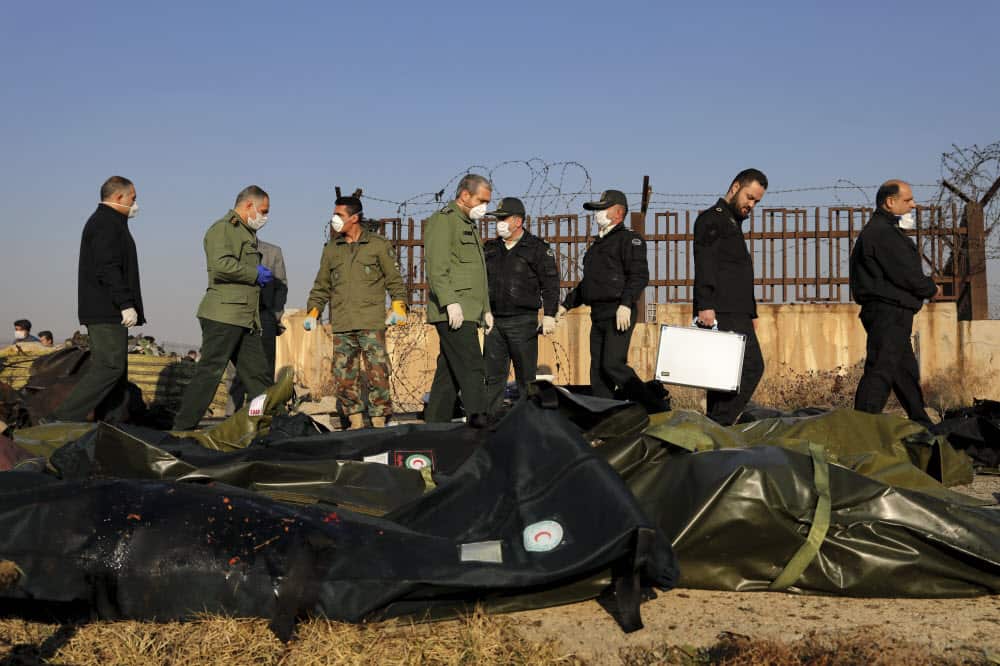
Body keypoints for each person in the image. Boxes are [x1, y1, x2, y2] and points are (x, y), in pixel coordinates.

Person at [172, 185, 275, 430]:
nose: (265, 216)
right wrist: (253, 273)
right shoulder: (224, 229)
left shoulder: (246, 233)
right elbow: (221, 266)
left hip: (245, 318)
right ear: (248, 205)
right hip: (224, 315)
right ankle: (182, 429)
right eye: (263, 210)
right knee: (210, 372)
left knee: (258, 376)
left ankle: (270, 425)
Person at [304, 196, 407, 429]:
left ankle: (379, 419)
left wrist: (399, 306)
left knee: (378, 371)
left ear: (354, 218)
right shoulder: (332, 249)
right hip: (343, 322)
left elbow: (394, 280)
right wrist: (313, 311)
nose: (334, 219)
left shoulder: (378, 245)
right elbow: (322, 285)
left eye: (339, 215)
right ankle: (355, 420)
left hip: (371, 321)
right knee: (343, 374)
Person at [52, 176, 145, 421]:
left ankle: (113, 426)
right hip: (107, 309)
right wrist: (125, 303)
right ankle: (58, 419)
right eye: (133, 198)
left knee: (117, 373)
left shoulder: (113, 222)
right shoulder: (105, 223)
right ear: (118, 197)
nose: (136, 204)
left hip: (112, 309)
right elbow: (107, 267)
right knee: (110, 366)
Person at [557, 189, 660, 411]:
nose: (597, 214)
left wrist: (626, 303)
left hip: (618, 312)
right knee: (598, 372)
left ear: (618, 212)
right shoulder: (598, 244)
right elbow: (589, 284)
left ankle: (656, 407)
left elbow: (639, 275)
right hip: (599, 313)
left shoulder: (629, 240)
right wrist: (566, 304)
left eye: (602, 209)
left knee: (612, 364)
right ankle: (606, 416)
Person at [850, 180, 941, 426]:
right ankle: (860, 430)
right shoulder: (882, 233)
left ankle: (922, 423)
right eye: (907, 200)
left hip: (893, 311)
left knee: (904, 372)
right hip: (888, 311)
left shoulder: (885, 231)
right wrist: (930, 288)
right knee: (881, 370)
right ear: (890, 202)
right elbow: (906, 274)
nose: (913, 204)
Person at [692, 168, 768, 425]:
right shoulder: (712, 220)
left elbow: (737, 274)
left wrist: (752, 312)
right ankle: (718, 424)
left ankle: (713, 428)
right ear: (735, 187)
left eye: (756, 201)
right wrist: (705, 306)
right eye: (749, 197)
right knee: (752, 367)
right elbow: (705, 264)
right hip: (722, 310)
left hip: (737, 310)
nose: (751, 205)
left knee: (723, 377)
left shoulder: (731, 223)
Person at [423, 174, 494, 425]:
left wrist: (485, 308)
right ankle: (480, 422)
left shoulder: (468, 225)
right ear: (465, 195)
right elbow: (436, 267)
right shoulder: (444, 222)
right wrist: (449, 302)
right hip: (454, 311)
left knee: (449, 373)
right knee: (473, 367)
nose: (485, 206)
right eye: (482, 200)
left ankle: (434, 426)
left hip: (470, 310)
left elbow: (478, 273)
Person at [482, 197, 559, 415]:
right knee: (493, 376)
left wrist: (550, 314)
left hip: (522, 321)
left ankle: (528, 420)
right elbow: (479, 282)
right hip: (494, 322)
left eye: (503, 218)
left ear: (517, 221)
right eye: (497, 219)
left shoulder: (536, 249)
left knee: (525, 377)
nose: (498, 223)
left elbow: (551, 283)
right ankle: (490, 423)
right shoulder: (490, 248)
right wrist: (483, 310)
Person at [229, 238, 287, 409]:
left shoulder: (272, 251)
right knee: (235, 369)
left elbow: (281, 286)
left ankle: (259, 413)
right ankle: (231, 415)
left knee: (264, 369)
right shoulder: (231, 249)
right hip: (237, 315)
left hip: (264, 315)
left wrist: (274, 315)